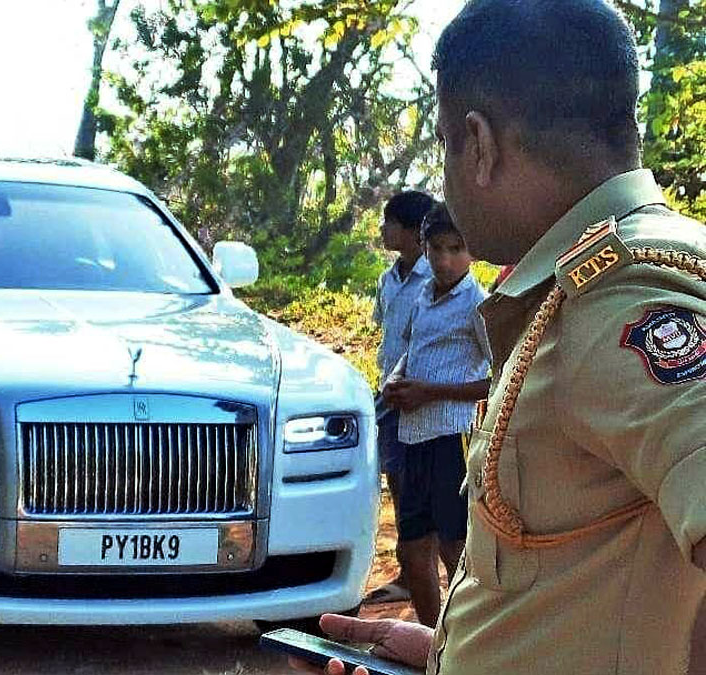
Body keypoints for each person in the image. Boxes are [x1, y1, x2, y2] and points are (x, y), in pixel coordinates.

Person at [292, 1, 706, 673]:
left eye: (444, 144)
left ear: (479, 144)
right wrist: (453, 653)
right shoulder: (613, 274)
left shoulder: (623, 298)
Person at [382, 203, 489, 628]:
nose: (444, 259)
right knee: (413, 548)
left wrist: (431, 392)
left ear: (472, 251)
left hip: (453, 438)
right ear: (423, 248)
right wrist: (395, 380)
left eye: (455, 249)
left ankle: (465, 638)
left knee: (454, 545)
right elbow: (410, 351)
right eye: (436, 248)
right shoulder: (422, 297)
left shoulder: (478, 304)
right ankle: (429, 641)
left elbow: (499, 377)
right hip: (413, 437)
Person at [365, 190, 435, 607]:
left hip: (422, 398)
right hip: (388, 393)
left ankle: (421, 571)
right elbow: (386, 331)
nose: (383, 229)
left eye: (389, 222)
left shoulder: (437, 279)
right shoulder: (388, 280)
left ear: (412, 231)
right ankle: (409, 574)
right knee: (396, 478)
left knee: (419, 486)